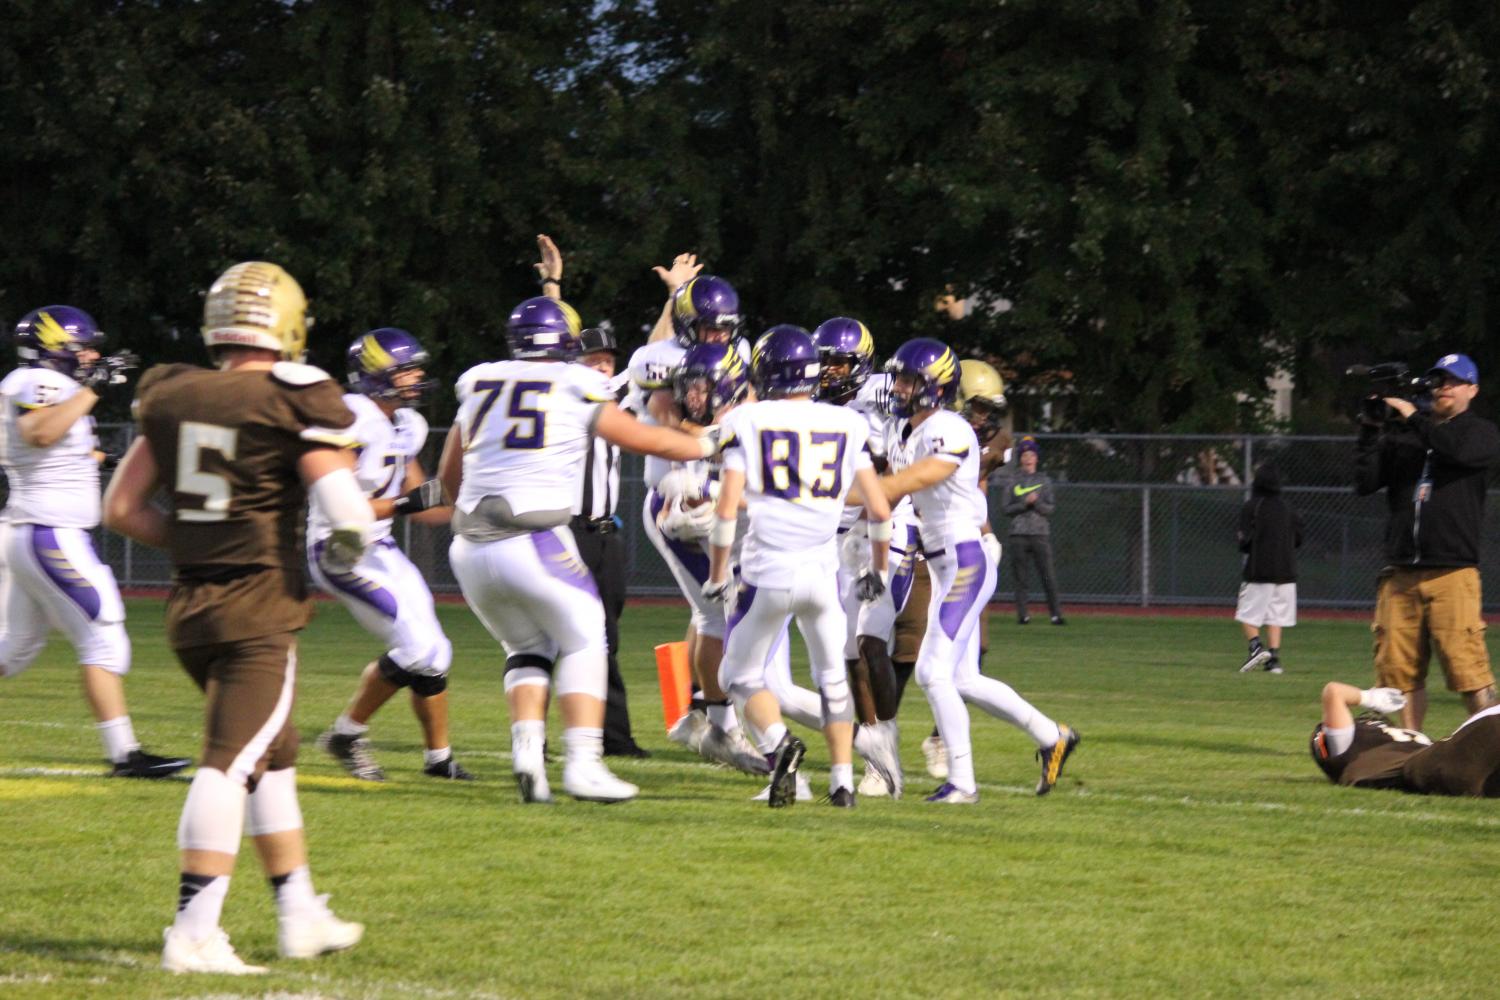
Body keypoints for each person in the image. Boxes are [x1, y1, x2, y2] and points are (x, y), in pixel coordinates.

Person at [103, 261, 368, 975]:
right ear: (287, 322)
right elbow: (345, 511)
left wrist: (199, 539)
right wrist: (352, 541)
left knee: (272, 759)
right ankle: (192, 933)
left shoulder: (173, 391)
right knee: (229, 766)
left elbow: (122, 509)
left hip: (190, 606)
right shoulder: (295, 395)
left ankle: (299, 912)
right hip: (254, 607)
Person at [440, 295, 723, 804]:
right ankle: (584, 764)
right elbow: (648, 440)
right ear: (565, 346)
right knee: (587, 636)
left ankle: (528, 753)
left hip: (468, 548)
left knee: (528, 648)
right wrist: (711, 443)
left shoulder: (477, 380)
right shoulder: (576, 383)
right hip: (534, 537)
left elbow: (448, 473)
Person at [880, 338, 1079, 803]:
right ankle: (1053, 736)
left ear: (936, 388)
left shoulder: (947, 426)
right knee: (964, 678)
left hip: (964, 560)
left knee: (931, 671)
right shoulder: (912, 428)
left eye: (910, 380)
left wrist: (872, 492)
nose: (901, 387)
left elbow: (919, 479)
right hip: (948, 559)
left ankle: (963, 783)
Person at [703, 325, 893, 808]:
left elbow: (727, 510)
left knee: (738, 677)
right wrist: (879, 568)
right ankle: (843, 784)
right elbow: (879, 508)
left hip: (767, 573)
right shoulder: (849, 424)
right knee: (832, 679)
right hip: (821, 574)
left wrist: (718, 573)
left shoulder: (748, 419)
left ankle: (778, 745)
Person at [0, 305, 189, 779]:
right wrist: (95, 387)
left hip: (33, 531)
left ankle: (125, 753)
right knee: (104, 639)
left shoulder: (51, 389)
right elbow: (40, 431)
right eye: (80, 345)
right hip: (49, 533)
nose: (90, 354)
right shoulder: (33, 383)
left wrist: (111, 460)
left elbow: (65, 443)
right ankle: (125, 754)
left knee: (15, 649)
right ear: (52, 347)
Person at [310, 328, 472, 781]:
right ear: (376, 376)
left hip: (380, 546)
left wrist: (475, 502)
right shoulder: (351, 418)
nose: (417, 377)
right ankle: (345, 734)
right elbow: (343, 505)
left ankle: (438, 759)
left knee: (437, 653)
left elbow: (425, 503)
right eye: (406, 371)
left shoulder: (407, 423)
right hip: (339, 546)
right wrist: (409, 503)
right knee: (416, 647)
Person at [623, 268, 763, 773]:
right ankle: (723, 724)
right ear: (686, 325)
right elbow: (670, 417)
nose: (719, 338)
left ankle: (697, 715)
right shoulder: (657, 361)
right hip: (677, 498)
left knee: (722, 614)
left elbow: (744, 407)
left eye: (725, 328)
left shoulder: (737, 354)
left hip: (719, 494)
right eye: (709, 329)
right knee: (718, 616)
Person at [1354, 352, 1500, 731]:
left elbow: (1455, 450)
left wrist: (1412, 415)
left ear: (1473, 389)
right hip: (1401, 572)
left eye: (1454, 381)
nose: (1445, 388)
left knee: (1468, 670)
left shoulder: (1479, 432)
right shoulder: (1409, 436)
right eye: (1440, 381)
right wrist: (1370, 430)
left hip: (1451, 571)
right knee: (1397, 674)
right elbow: (1365, 482)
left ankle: (1493, 748)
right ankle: (1410, 744)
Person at [813, 316, 906, 798]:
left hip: (887, 530)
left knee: (871, 642)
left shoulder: (877, 398)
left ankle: (885, 741)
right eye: (824, 362)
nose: (830, 372)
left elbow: (883, 473)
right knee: (849, 652)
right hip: (838, 537)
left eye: (840, 362)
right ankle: (875, 758)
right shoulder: (813, 405)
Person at [571, 325, 649, 758]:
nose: (603, 365)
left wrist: (674, 297)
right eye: (593, 359)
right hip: (565, 529)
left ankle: (615, 737)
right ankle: (535, 737)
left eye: (608, 359)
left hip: (605, 533)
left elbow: (649, 358)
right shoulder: (562, 392)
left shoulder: (611, 396)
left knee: (607, 637)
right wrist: (551, 290)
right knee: (552, 637)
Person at [1310, 682, 1500, 796]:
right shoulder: (1350, 752)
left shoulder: (1384, 750)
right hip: (1430, 770)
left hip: (1460, 773)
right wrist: (1367, 697)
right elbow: (1333, 692)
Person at [1234, 463, 1303, 674]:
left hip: (1259, 571)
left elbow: (1244, 540)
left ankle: (1255, 647)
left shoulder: (1252, 506)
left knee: (1246, 613)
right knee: (1276, 616)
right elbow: (1299, 539)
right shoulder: (1289, 508)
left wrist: (1246, 543)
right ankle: (1274, 660)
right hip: (1286, 572)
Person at [1001, 436, 1065, 625]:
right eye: (1025, 455)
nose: (1028, 458)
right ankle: (1023, 615)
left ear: (1037, 458)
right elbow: (1006, 508)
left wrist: (1035, 502)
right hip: (1018, 535)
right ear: (1021, 458)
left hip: (1040, 535)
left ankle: (1055, 615)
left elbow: (1050, 509)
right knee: (1021, 578)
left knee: (1048, 577)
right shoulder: (1013, 481)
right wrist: (1023, 503)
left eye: (1032, 455)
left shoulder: (1044, 481)